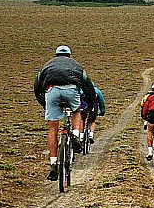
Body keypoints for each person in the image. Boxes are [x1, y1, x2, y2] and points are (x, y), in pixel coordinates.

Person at [34, 45, 97, 180]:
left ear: (56, 55)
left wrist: (44, 103)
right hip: (71, 89)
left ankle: (53, 164)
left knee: (52, 130)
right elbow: (88, 86)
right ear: (70, 55)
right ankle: (74, 135)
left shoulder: (47, 65)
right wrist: (90, 103)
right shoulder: (76, 65)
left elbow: (37, 85)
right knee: (76, 110)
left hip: (51, 91)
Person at [74, 85, 106, 151]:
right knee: (92, 121)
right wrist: (102, 111)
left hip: (83, 107)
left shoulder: (81, 90)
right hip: (93, 108)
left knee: (82, 120)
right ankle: (91, 134)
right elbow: (101, 101)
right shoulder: (96, 90)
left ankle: (81, 136)